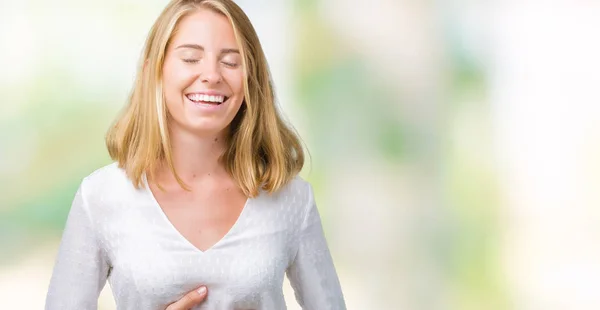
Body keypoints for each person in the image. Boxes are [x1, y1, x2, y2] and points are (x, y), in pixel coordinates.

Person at [44, 0, 346, 309]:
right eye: (190, 58)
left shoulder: (292, 199)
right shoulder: (101, 196)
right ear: (154, 70)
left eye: (230, 61)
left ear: (250, 78)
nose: (211, 75)